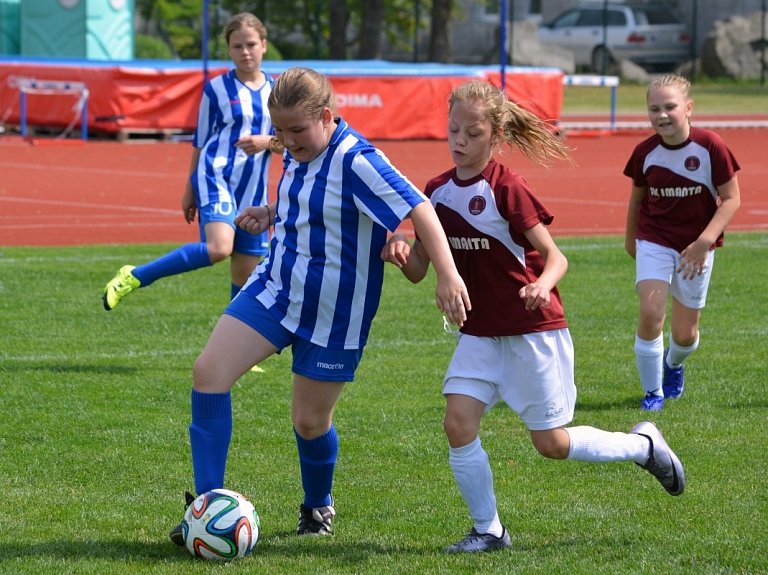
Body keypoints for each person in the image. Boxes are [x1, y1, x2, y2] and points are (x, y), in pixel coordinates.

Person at [380, 80, 685, 554]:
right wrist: (400, 250)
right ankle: (489, 530)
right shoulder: (435, 192)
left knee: (552, 444)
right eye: (453, 130)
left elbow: (555, 256)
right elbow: (421, 271)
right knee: (458, 424)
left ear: (496, 134)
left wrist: (542, 284)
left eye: (473, 133)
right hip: (480, 334)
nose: (459, 141)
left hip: (532, 333)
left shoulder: (507, 187)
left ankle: (643, 447)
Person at [168, 66, 470, 544]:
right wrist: (271, 214)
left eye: (297, 131)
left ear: (327, 117)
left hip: (334, 312)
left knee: (309, 422)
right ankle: (206, 509)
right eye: (280, 132)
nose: (287, 142)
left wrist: (448, 276)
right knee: (209, 373)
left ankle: (317, 507)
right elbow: (307, 197)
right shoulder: (297, 148)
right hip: (276, 289)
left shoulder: (358, 160)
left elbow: (421, 208)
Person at [103, 13, 283, 310]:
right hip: (215, 177)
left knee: (245, 276)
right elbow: (200, 143)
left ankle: (238, 356)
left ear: (263, 45)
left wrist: (266, 142)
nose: (245, 51)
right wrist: (190, 189)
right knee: (218, 248)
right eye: (237, 46)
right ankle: (134, 276)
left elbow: (288, 143)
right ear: (229, 49)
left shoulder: (277, 92)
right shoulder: (216, 89)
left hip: (253, 190)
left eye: (251, 44)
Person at [624, 74, 741, 411]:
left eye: (670, 107)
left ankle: (673, 365)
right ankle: (653, 393)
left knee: (686, 335)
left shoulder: (711, 146)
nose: (662, 115)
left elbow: (731, 198)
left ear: (689, 108)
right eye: (654, 108)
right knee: (650, 313)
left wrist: (704, 242)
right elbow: (636, 201)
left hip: (696, 247)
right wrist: (632, 240)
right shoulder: (644, 152)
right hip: (654, 239)